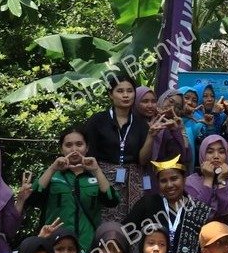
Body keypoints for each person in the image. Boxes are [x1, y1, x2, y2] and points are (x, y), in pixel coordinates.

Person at [124, 156, 215, 253]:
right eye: (163, 181)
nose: (169, 185)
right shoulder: (148, 204)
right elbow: (125, 233)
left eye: (174, 179)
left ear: (184, 179)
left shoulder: (197, 209)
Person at [81, 73, 151, 220]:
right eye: (120, 91)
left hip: (133, 182)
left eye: (129, 91)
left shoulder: (141, 124)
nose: (125, 95)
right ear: (110, 95)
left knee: (132, 223)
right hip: (102, 178)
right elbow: (88, 154)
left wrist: (152, 135)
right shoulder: (98, 121)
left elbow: (143, 160)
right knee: (105, 223)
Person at [34, 127, 119, 242]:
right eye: (68, 145)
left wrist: (97, 170)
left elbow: (112, 200)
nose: (74, 150)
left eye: (79, 144)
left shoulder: (95, 176)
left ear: (87, 148)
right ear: (61, 149)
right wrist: (52, 168)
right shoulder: (52, 176)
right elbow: (32, 198)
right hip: (56, 245)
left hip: (87, 245)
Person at [186, 135, 228, 224]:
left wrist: (221, 181)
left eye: (221, 152)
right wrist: (208, 180)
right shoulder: (190, 183)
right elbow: (197, 215)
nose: (216, 156)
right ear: (202, 154)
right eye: (210, 152)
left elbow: (227, 214)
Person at [144, 89, 192, 169]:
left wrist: (180, 130)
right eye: (171, 101)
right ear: (163, 98)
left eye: (178, 107)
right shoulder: (144, 119)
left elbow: (185, 156)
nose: (172, 107)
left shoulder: (175, 127)